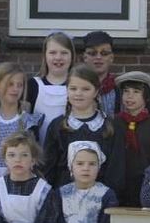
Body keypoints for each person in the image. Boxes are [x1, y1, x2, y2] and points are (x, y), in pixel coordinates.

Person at [42, 64, 125, 195]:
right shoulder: (57, 126)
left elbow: (116, 170)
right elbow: (48, 169)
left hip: (101, 198)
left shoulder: (111, 127)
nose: (78, 94)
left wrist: (107, 198)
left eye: (85, 89)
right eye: (73, 88)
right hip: (64, 198)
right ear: (67, 90)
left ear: (96, 91)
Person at [34, 142, 119, 223]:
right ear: (71, 167)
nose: (86, 168)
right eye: (80, 163)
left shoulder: (107, 195)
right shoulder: (60, 194)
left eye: (92, 164)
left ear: (99, 167)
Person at [0, 62, 44, 200]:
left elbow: (31, 155)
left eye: (19, 85)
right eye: (10, 84)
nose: (15, 89)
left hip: (19, 180)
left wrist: (10, 179)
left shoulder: (28, 122)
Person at [114, 71, 150, 207]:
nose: (130, 96)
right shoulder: (113, 122)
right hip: (117, 186)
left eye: (136, 92)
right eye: (126, 91)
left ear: (146, 96)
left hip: (144, 186)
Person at [27, 31, 74, 145]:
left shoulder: (77, 86)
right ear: (45, 55)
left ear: (72, 56)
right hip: (39, 154)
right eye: (52, 52)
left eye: (64, 53)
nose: (58, 57)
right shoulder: (33, 85)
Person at [82, 30, 119, 116]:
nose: (98, 57)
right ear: (85, 57)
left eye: (104, 53)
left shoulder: (120, 91)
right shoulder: (75, 89)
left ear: (111, 58)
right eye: (93, 53)